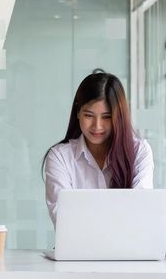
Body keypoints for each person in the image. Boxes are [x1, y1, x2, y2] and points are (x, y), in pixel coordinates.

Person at [43, 70, 153, 225]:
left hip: (128, 248)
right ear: (78, 112)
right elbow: (64, 219)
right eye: (89, 115)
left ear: (118, 117)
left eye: (107, 117)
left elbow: (141, 211)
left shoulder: (139, 151)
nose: (97, 126)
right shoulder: (60, 157)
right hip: (78, 248)